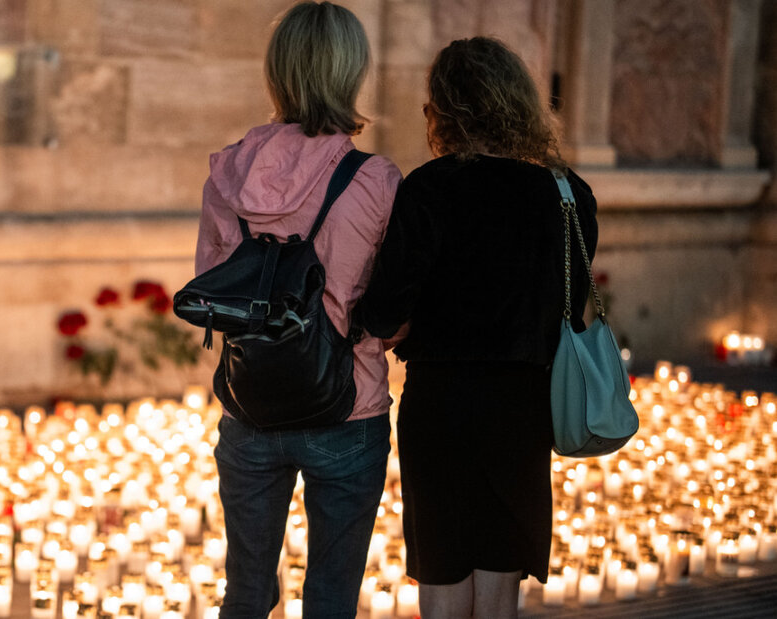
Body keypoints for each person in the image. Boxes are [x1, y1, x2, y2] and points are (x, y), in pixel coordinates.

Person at [356, 37, 598, 618]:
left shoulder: (429, 188)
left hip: (440, 404)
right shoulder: (567, 194)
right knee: (499, 589)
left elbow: (383, 311)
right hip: (522, 405)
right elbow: (570, 309)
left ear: (442, 109)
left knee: (442, 574)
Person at [195, 2, 402, 616]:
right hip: (348, 407)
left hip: (249, 402)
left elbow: (212, 288)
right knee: (332, 601)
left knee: (247, 595)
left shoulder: (228, 172)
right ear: (352, 72)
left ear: (277, 72)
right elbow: (392, 307)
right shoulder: (375, 180)